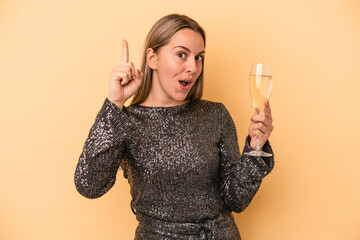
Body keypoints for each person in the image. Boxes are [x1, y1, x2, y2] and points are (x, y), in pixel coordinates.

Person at [74, 13, 274, 240]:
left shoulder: (216, 115)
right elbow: (88, 185)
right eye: (182, 55)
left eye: (199, 58)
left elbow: (235, 199)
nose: (193, 67)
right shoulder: (126, 122)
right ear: (153, 58)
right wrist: (115, 104)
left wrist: (255, 149)